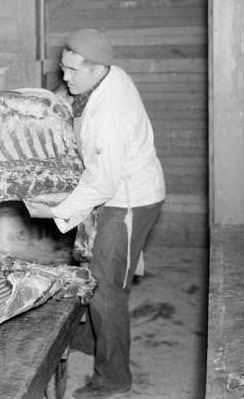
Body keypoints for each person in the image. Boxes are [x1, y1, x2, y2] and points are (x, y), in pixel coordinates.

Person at [50, 28, 165, 397]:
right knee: (100, 272)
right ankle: (89, 338)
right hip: (118, 192)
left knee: (105, 289)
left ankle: (113, 378)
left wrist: (57, 211)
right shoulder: (106, 77)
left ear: (98, 69)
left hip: (127, 201)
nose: (65, 78)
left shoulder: (111, 114)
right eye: (63, 68)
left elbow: (102, 182)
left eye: (72, 71)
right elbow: (70, 101)